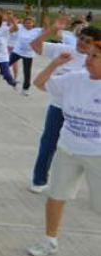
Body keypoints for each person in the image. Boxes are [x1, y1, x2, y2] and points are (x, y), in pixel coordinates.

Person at [25, 43, 101, 256]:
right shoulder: (74, 78)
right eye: (89, 55)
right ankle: (49, 241)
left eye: (95, 56)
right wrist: (55, 64)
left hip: (98, 155)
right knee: (56, 196)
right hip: (68, 149)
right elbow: (39, 83)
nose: (88, 59)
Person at [27, 19, 101, 193]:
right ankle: (39, 180)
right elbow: (35, 45)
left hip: (86, 113)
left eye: (87, 41)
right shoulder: (63, 51)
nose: (82, 43)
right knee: (48, 143)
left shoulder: (95, 61)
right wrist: (52, 29)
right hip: (58, 107)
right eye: (81, 38)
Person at [9, 17, 43, 96]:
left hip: (28, 54)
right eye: (26, 23)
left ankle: (25, 89)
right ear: (24, 23)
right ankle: (10, 80)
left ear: (33, 24)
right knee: (6, 64)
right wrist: (13, 21)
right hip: (17, 51)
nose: (28, 24)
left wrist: (47, 24)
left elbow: (46, 31)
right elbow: (13, 28)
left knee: (27, 72)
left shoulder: (36, 30)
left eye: (30, 23)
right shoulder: (20, 27)